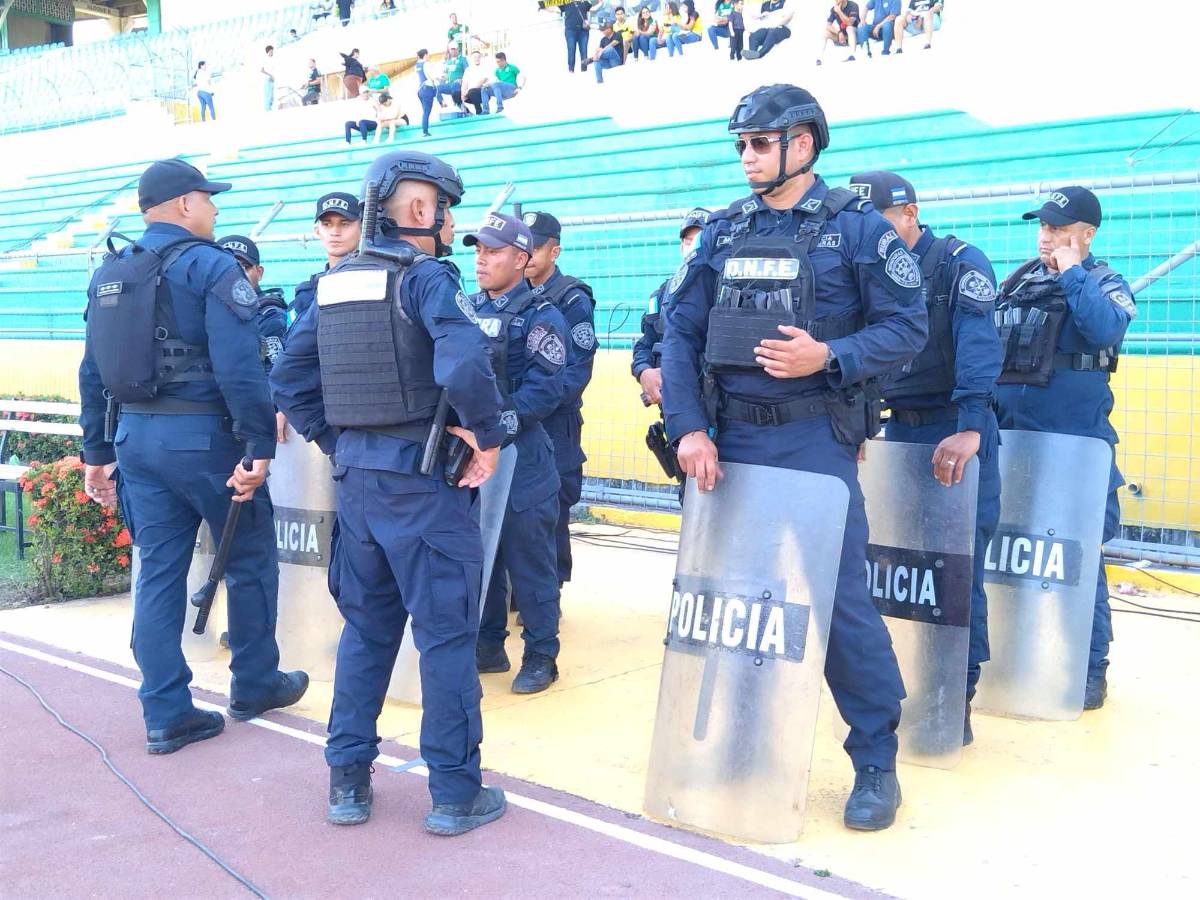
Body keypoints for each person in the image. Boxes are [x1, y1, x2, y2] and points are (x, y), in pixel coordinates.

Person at [659, 85, 928, 831]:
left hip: (813, 441)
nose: (745, 157)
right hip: (729, 442)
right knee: (733, 600)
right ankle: (738, 744)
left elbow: (908, 326)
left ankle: (875, 758)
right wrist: (689, 428)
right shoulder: (722, 233)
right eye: (739, 144)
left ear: (802, 145)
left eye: (758, 142)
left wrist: (829, 356)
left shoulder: (859, 231)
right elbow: (679, 335)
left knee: (838, 603)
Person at [270, 151, 514, 835]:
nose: (449, 219)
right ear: (416, 210)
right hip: (422, 490)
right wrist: (488, 438)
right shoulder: (427, 277)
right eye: (444, 205)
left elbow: (287, 379)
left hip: (358, 488)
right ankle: (455, 794)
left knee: (366, 636)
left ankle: (347, 783)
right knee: (444, 638)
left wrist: (338, 442)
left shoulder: (335, 281)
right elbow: (463, 360)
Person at [78, 159, 309, 755]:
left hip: (136, 441)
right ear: (183, 204)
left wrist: (96, 452)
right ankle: (255, 684)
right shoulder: (212, 266)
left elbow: (92, 370)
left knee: (157, 573)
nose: (213, 209)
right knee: (250, 557)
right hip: (205, 440)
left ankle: (166, 712)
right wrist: (259, 446)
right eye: (208, 199)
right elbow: (239, 367)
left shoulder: (110, 272)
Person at [849, 170, 1003, 745]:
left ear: (910, 213)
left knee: (957, 570)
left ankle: (955, 696)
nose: (872, 234)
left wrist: (969, 427)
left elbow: (979, 345)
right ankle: (914, 686)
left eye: (881, 221)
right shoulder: (874, 274)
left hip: (953, 427)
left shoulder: (961, 262)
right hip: (899, 433)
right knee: (903, 569)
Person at [993, 187, 1135, 711]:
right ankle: (1012, 657)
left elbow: (1104, 328)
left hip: (1075, 453)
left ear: (1086, 234)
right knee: (1009, 553)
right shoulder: (1019, 281)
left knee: (1075, 558)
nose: (1046, 236)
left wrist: (1073, 273)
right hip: (1011, 443)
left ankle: (1090, 667)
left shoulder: (1103, 283)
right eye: (1043, 227)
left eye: (1057, 228)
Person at [471, 214, 568, 694]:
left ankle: (541, 654)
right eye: (477, 251)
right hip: (471, 455)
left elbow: (545, 391)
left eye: (492, 251)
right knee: (478, 556)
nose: (481, 259)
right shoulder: (464, 309)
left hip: (521, 455)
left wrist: (495, 429)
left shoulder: (541, 316)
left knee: (529, 562)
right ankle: (488, 646)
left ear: (521, 258)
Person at [524, 212, 597, 589]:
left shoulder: (571, 299)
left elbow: (576, 370)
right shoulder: (510, 294)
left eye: (537, 247)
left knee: (552, 507)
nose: (529, 253)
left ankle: (548, 593)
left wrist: (533, 405)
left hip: (554, 421)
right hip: (520, 420)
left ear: (555, 251)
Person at [631, 208, 709, 406]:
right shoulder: (662, 295)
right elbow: (645, 344)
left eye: (698, 240)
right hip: (675, 409)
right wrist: (644, 371)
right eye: (687, 241)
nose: (692, 247)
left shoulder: (729, 292)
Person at [217, 234, 289, 376]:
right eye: (227, 267)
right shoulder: (206, 312)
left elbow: (276, 375)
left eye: (244, 267)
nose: (237, 274)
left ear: (259, 272)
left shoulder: (270, 315)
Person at [291, 192, 362, 322]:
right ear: (317, 231)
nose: (335, 232)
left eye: (344, 223)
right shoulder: (308, 292)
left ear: (362, 228)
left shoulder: (375, 281)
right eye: (327, 224)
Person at [435, 44, 467, 112]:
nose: (453, 51)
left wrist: (462, 79)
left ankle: (462, 108)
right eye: (451, 49)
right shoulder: (448, 62)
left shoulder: (463, 59)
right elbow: (446, 75)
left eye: (454, 49)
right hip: (450, 84)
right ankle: (443, 104)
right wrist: (441, 79)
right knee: (437, 88)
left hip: (459, 84)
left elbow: (468, 71)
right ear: (449, 50)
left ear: (458, 49)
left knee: (455, 88)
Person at [561, 0, 592, 72]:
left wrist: (601, 3)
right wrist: (543, 7)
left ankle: (584, 70)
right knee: (571, 50)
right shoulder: (566, 3)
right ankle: (571, 70)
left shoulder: (585, 2)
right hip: (570, 30)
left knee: (584, 51)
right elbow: (557, 9)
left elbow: (592, 8)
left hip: (583, 31)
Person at [460, 50, 493, 115]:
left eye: (478, 57)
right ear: (471, 59)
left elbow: (483, 81)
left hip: (483, 92)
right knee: (456, 93)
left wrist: (468, 91)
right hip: (470, 94)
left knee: (472, 91)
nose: (477, 59)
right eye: (475, 57)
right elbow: (464, 83)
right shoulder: (468, 70)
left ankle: (479, 110)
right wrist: (462, 94)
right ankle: (466, 111)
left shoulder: (485, 67)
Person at [415, 48, 438, 135]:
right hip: (427, 89)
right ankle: (425, 131)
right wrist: (439, 78)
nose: (429, 56)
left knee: (425, 111)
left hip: (420, 90)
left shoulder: (417, 65)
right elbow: (431, 76)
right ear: (425, 55)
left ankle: (424, 130)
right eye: (428, 54)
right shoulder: (426, 64)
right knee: (427, 112)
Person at [261, 46, 276, 111]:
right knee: (268, 96)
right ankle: (268, 111)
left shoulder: (271, 60)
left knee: (271, 97)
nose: (272, 52)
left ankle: (269, 110)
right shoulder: (265, 59)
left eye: (272, 51)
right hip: (268, 79)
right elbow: (262, 70)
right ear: (268, 52)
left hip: (271, 80)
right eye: (271, 51)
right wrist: (270, 76)